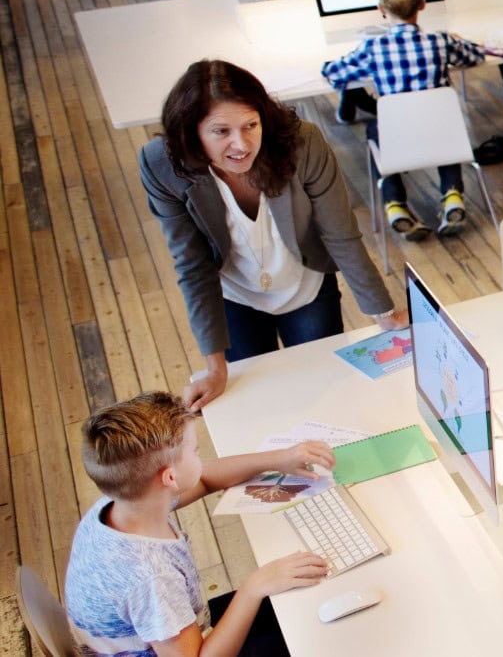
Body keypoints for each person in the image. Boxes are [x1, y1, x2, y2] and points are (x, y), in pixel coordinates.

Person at [141, 60, 404, 411]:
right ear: (191, 133)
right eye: (221, 132)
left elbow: (340, 234)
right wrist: (214, 368)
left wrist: (383, 314)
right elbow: (192, 265)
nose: (241, 144)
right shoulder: (161, 164)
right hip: (234, 295)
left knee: (325, 395)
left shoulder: (303, 142)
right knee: (257, 404)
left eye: (251, 125)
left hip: (306, 285)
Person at [65, 391, 334, 657]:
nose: (200, 457)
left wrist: (278, 459)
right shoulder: (152, 579)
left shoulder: (125, 502)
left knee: (302, 602)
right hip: (186, 647)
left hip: (176, 632)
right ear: (170, 478)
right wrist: (253, 587)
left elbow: (205, 479)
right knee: (318, 633)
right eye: (195, 451)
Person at [320, 0, 488, 240]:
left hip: (397, 140)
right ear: (422, 4)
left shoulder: (373, 48)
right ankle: (452, 194)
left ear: (381, 9)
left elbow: (334, 74)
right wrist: (456, 38)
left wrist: (327, 64)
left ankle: (395, 204)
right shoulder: (440, 41)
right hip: (442, 138)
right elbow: (476, 56)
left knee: (377, 127)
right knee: (442, 121)